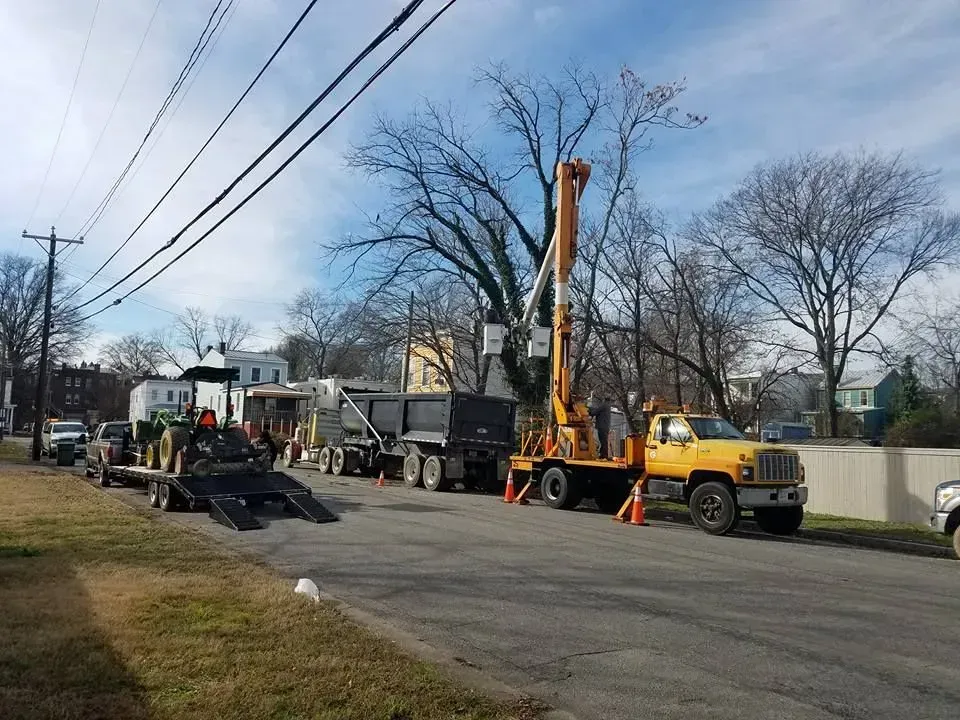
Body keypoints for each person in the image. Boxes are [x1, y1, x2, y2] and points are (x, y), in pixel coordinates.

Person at [587, 392, 612, 459]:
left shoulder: (604, 405)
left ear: (604, 399)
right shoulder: (607, 405)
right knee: (603, 441)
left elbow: (595, 412)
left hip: (602, 426)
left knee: (603, 441)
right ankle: (603, 454)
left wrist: (588, 410)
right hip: (605, 426)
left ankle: (603, 455)